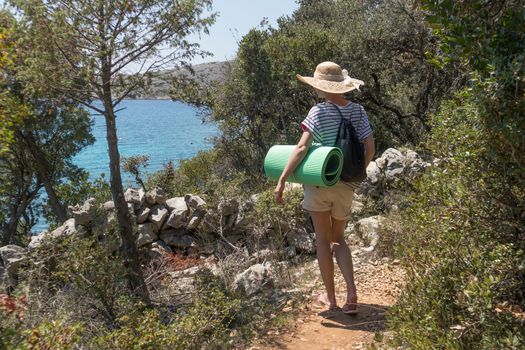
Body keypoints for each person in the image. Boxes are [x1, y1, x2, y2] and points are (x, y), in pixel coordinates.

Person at [274, 61, 375, 314]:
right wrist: (355, 173)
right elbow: (370, 147)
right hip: (347, 185)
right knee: (339, 239)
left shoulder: (318, 112)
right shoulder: (359, 111)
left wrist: (283, 178)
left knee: (322, 240)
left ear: (320, 86)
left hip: (320, 183)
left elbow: (301, 148)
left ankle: (331, 299)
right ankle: (351, 295)